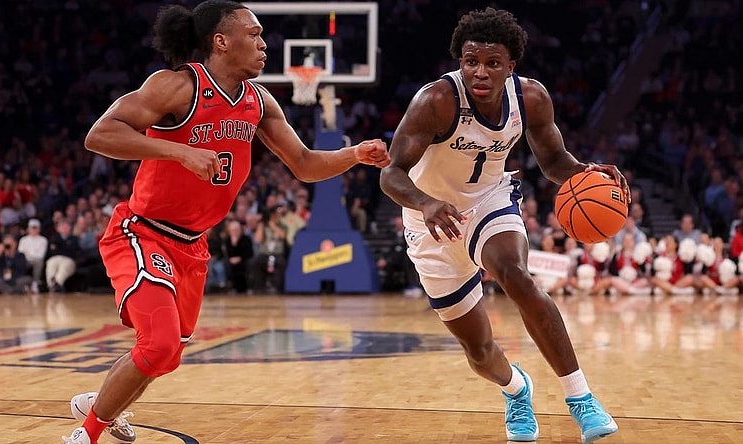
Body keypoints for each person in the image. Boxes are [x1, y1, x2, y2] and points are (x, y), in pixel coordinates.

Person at [62, 1, 390, 443]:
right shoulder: (176, 87)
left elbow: (305, 164)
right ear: (221, 41)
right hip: (142, 232)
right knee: (158, 345)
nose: (263, 44)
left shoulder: (259, 101)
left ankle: (101, 402)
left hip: (194, 245)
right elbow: (99, 134)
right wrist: (179, 151)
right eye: (253, 35)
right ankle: (87, 433)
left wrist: (354, 155)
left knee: (165, 355)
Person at [379, 8, 624, 443]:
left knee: (516, 275)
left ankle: (581, 398)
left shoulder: (531, 98)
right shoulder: (436, 101)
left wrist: (586, 173)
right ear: (460, 61)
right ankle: (516, 388)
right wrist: (425, 202)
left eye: (493, 63)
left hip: (489, 202)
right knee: (479, 351)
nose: (480, 71)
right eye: (471, 61)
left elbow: (552, 162)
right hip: (429, 220)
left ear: (512, 66)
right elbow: (391, 172)